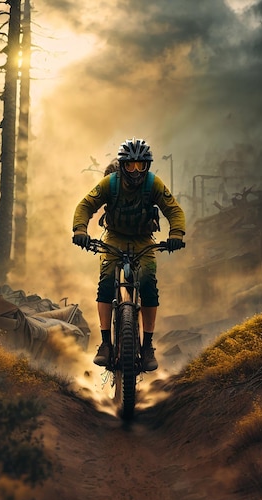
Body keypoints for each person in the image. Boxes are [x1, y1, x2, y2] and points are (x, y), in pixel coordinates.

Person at [72, 137, 185, 371]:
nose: (135, 171)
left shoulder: (153, 184)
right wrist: (80, 229)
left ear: (148, 166)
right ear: (122, 165)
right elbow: (85, 206)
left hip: (143, 241)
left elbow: (173, 209)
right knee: (105, 283)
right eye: (131, 165)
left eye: (141, 165)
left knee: (148, 283)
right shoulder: (109, 184)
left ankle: (147, 347)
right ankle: (105, 344)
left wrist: (177, 234)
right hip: (114, 238)